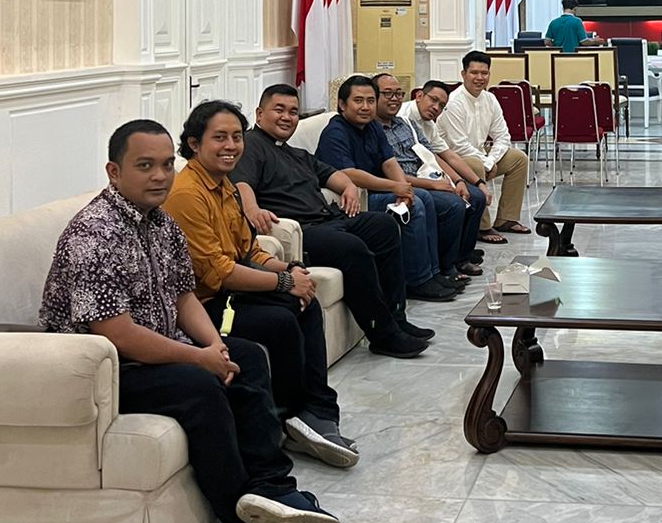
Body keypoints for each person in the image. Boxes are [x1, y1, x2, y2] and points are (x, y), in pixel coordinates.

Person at [40, 119, 340, 523]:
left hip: (155, 349)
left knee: (246, 356)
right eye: (145, 165)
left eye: (167, 164)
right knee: (198, 385)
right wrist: (199, 358)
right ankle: (236, 504)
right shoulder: (92, 235)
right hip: (104, 372)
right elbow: (117, 334)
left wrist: (216, 346)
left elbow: (183, 297)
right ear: (114, 171)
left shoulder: (161, 224)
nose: (160, 176)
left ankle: (271, 485)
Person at [164, 99, 358, 469]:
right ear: (194, 143)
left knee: (304, 302)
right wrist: (283, 282)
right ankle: (291, 416)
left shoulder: (225, 186)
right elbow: (221, 271)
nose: (231, 146)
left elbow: (249, 250)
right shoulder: (188, 193)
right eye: (219, 137)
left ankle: (316, 411)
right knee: (279, 321)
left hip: (229, 294)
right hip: (202, 308)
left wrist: (291, 271)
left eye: (236, 137)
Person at [232, 85, 427, 358]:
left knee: (384, 226)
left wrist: (348, 187)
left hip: (329, 218)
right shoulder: (251, 145)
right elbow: (242, 182)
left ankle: (397, 317)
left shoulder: (295, 153)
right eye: (279, 110)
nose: (287, 117)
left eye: (293, 112)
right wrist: (252, 209)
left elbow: (330, 174)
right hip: (303, 230)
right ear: (260, 114)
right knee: (352, 247)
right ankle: (383, 335)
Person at [314, 75, 460, 302]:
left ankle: (432, 272)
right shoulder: (336, 132)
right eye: (358, 101)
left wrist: (404, 188)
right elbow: (349, 173)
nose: (365, 107)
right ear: (342, 104)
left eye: (370, 101)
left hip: (378, 188)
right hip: (357, 198)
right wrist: (395, 187)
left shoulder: (372, 126)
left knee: (422, 198)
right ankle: (417, 280)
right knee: (416, 206)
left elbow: (389, 162)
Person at [372, 73, 485, 278]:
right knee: (453, 204)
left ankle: (461, 258)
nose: (395, 99)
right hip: (408, 182)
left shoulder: (406, 124)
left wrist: (458, 180)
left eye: (398, 94)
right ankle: (446, 267)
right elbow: (388, 172)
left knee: (476, 196)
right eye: (388, 94)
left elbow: (433, 155)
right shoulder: (373, 131)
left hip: (427, 174)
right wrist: (433, 185)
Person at [441, 51, 530, 242]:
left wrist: (491, 161)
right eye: (474, 73)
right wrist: (487, 162)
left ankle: (506, 219)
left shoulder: (490, 99)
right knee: (475, 164)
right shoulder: (454, 102)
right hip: (452, 161)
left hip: (482, 157)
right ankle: (482, 227)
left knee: (518, 158)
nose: (479, 78)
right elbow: (459, 146)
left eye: (484, 73)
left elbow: (503, 136)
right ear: (463, 74)